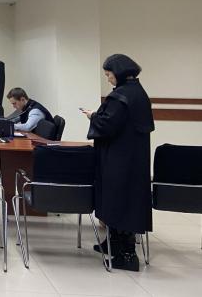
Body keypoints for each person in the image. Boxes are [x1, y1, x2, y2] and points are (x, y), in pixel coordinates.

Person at [81, 54, 154, 272]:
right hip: (133, 157)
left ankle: (126, 255)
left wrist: (93, 117)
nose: (108, 79)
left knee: (118, 200)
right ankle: (112, 243)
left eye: (109, 74)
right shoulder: (138, 93)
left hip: (119, 158)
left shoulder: (121, 95)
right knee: (121, 199)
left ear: (119, 72)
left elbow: (107, 125)